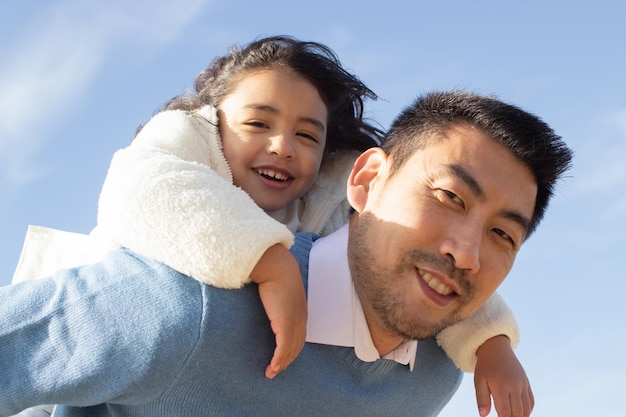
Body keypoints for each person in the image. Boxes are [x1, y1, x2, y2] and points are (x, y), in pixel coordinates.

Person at [1, 52, 552, 417]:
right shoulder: (188, 304)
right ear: (365, 181)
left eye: (504, 234)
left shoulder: (436, 373)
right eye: (449, 197)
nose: (467, 251)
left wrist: (495, 344)